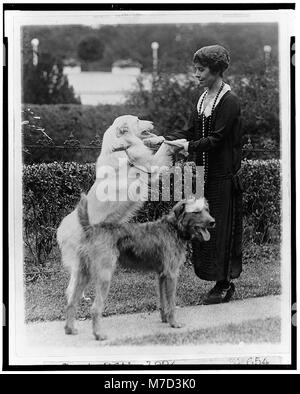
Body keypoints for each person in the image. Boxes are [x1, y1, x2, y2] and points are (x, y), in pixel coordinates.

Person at [163, 44, 243, 304]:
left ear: (216, 70)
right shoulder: (201, 98)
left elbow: (217, 139)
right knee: (200, 225)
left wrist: (187, 146)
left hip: (221, 177)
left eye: (201, 70)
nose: (196, 74)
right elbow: (189, 131)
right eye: (195, 69)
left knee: (220, 229)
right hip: (200, 175)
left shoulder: (229, 100)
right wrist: (164, 141)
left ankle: (225, 284)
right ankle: (212, 279)